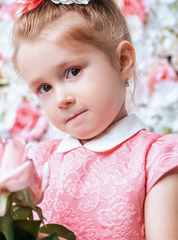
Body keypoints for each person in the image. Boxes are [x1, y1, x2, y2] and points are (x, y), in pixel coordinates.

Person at [11, 0, 178, 239]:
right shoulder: (36, 165)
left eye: (73, 71)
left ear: (123, 61)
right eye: (45, 87)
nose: (61, 99)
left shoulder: (155, 160)